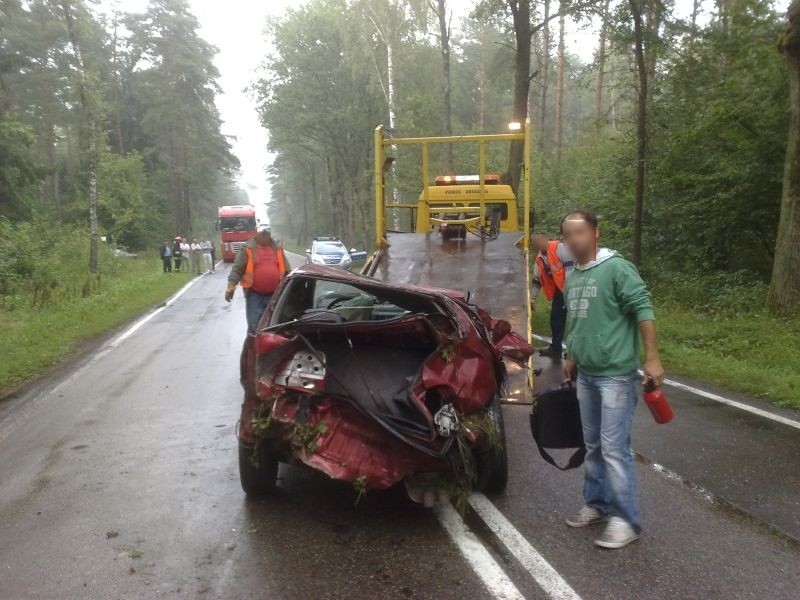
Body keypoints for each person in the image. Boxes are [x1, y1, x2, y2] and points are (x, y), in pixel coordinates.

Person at [561, 209, 665, 549]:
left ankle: (626, 520)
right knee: (592, 446)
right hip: (587, 375)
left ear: (595, 233)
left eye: (579, 232)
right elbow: (579, 320)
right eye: (568, 234)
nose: (573, 240)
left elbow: (643, 308)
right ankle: (597, 503)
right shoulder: (572, 274)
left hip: (616, 377)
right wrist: (571, 355)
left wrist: (652, 358)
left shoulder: (617, 268)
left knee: (614, 448)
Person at [225, 227, 288, 334]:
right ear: (256, 234)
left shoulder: (277, 249)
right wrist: (231, 287)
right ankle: (252, 349)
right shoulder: (248, 249)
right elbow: (237, 269)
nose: (264, 236)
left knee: (272, 327)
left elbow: (287, 270)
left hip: (275, 295)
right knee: (254, 327)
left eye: (266, 234)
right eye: (262, 233)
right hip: (255, 296)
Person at [531, 231, 574, 360]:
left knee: (577, 321)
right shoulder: (539, 259)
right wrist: (531, 299)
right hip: (558, 293)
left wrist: (571, 288)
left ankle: (574, 353)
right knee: (555, 320)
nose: (538, 243)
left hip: (571, 289)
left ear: (546, 238)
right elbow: (536, 281)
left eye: (539, 240)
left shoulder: (558, 248)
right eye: (535, 241)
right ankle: (556, 348)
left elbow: (571, 265)